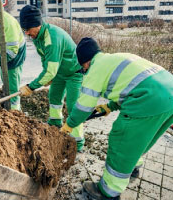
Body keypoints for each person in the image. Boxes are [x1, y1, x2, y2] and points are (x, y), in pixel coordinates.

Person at [61, 37, 173, 200]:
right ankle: (133, 166)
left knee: (122, 141)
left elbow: (83, 107)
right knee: (141, 137)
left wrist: (69, 125)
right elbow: (133, 85)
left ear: (86, 63)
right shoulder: (115, 58)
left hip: (150, 100)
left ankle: (108, 192)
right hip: (169, 94)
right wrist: (110, 106)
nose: (84, 71)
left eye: (83, 68)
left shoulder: (95, 69)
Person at [18, 5, 85, 151]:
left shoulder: (52, 38)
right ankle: (55, 123)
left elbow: (50, 70)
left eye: (29, 29)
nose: (27, 33)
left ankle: (77, 142)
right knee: (54, 97)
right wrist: (48, 77)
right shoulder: (37, 36)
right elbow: (46, 60)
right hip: (59, 72)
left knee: (74, 106)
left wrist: (31, 86)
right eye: (25, 30)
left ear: (38, 24)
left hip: (74, 72)